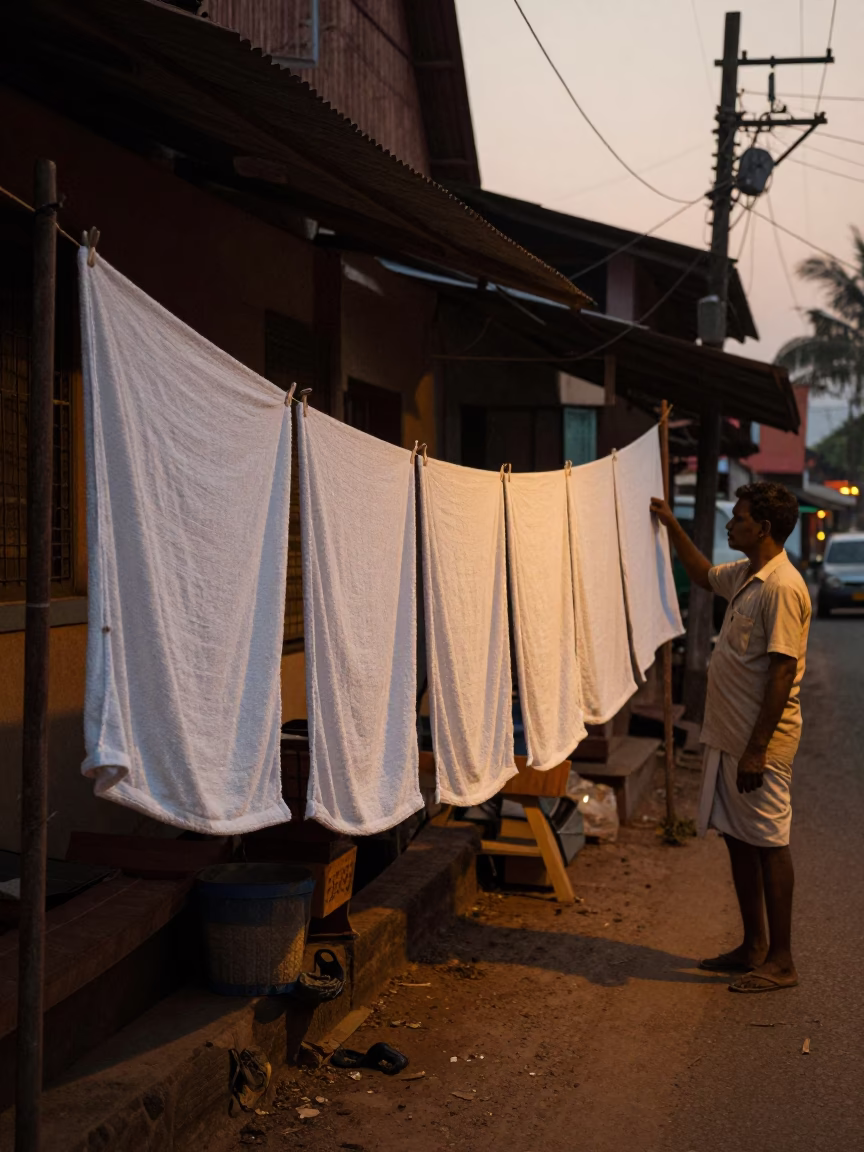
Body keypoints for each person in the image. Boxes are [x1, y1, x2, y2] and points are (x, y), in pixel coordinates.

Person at [650, 483, 811, 993]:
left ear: (763, 528)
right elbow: (700, 575)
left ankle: (782, 961)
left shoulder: (782, 587)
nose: (729, 524)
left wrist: (757, 750)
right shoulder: (745, 575)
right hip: (730, 738)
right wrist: (671, 525)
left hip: (757, 745)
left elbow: (782, 674)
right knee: (740, 840)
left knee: (769, 844)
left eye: (737, 518)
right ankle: (753, 946)